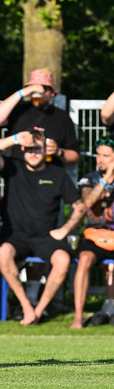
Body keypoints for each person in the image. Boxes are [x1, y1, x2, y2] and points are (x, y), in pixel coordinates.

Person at [0, 68, 80, 315]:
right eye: (33, 87)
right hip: (17, 177)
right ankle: (12, 302)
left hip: (47, 187)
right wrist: (24, 93)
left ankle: (33, 301)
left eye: (43, 88)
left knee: (47, 238)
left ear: (53, 92)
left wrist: (58, 152)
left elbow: (74, 155)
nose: (38, 92)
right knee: (7, 250)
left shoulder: (61, 119)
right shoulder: (19, 108)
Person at [0, 128, 87, 325]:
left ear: (46, 150)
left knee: (63, 260)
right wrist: (15, 139)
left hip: (45, 237)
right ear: (23, 149)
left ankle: (38, 310)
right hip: (16, 236)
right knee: (3, 253)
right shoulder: (13, 168)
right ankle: (25, 306)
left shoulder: (58, 174)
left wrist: (65, 229)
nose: (33, 153)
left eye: (37, 149)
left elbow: (80, 207)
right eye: (29, 149)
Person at [71, 137, 114, 329]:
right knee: (84, 259)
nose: (100, 159)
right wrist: (106, 180)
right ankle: (78, 318)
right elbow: (87, 201)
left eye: (106, 155)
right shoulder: (89, 178)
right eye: (98, 155)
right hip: (95, 236)